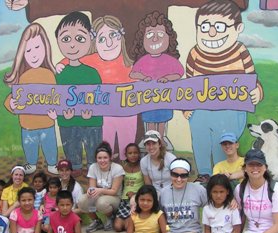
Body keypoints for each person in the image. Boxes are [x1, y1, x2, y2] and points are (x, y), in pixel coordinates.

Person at [185, 0, 263, 182]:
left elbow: (252, 80)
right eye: (204, 27)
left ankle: (221, 176)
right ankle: (204, 173)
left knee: (223, 142)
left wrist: (257, 92)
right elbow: (187, 87)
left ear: (238, 28)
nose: (211, 33)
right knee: (201, 139)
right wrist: (185, 107)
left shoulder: (240, 51)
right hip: (201, 109)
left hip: (231, 109)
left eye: (219, 26)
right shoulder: (194, 54)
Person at [56, 15, 137, 160]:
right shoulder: (91, 60)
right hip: (104, 114)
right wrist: (60, 65)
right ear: (95, 42)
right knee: (105, 147)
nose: (109, 42)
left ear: (121, 36)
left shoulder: (130, 65)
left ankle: (126, 165)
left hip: (127, 114)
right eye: (102, 38)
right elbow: (72, 59)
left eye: (113, 35)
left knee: (128, 145)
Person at [50, 11, 102, 176]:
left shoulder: (92, 73)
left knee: (93, 154)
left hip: (92, 122)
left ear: (89, 39)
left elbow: (101, 98)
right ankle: (76, 169)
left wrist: (92, 112)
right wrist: (59, 113)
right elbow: (52, 98)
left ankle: (93, 169)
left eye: (79, 39)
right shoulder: (58, 73)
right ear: (57, 39)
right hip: (67, 121)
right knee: (72, 153)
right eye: (66, 39)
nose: (72, 45)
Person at [3, 23, 59, 175]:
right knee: (30, 145)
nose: (34, 54)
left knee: (49, 143)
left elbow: (57, 97)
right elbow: (10, 98)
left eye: (37, 48)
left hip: (47, 122)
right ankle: (31, 163)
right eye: (28, 50)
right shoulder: (22, 76)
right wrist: (12, 105)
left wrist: (56, 113)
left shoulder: (49, 74)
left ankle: (52, 163)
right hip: (27, 123)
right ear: (22, 53)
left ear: (46, 48)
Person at [130, 11, 184, 150]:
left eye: (160, 34)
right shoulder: (143, 60)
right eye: (149, 35)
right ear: (142, 39)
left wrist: (167, 78)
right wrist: (143, 77)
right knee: (150, 120)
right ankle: (150, 139)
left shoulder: (170, 60)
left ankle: (160, 140)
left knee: (162, 120)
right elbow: (133, 74)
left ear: (169, 38)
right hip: (147, 99)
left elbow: (179, 73)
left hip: (164, 99)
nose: (154, 39)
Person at [78, 141, 125, 233]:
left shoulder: (117, 168)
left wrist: (99, 190)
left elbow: (114, 191)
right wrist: (90, 191)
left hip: (114, 198)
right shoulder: (93, 167)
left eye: (105, 158)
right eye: (99, 158)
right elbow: (92, 187)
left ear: (110, 158)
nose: (102, 161)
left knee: (101, 202)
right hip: (99, 196)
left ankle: (110, 218)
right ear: (96, 158)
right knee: (82, 201)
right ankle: (96, 220)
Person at [114, 143, 144, 232]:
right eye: (130, 153)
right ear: (126, 155)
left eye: (135, 153)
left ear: (139, 154)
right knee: (117, 227)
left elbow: (147, 185)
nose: (133, 155)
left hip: (137, 200)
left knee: (128, 227)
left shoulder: (142, 166)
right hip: (124, 200)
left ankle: (132, 220)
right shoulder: (122, 166)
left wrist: (136, 194)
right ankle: (116, 218)